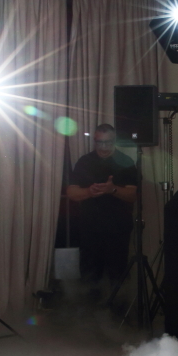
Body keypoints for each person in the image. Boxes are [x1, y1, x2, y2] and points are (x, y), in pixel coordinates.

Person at [67, 124, 137, 297]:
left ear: (114, 141)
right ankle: (89, 309)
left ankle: (118, 308)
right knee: (90, 275)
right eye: (100, 142)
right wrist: (89, 192)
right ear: (94, 141)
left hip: (118, 228)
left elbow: (133, 195)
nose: (104, 147)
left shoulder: (126, 162)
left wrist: (112, 189)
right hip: (90, 228)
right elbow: (71, 193)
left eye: (108, 142)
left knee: (117, 274)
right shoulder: (84, 162)